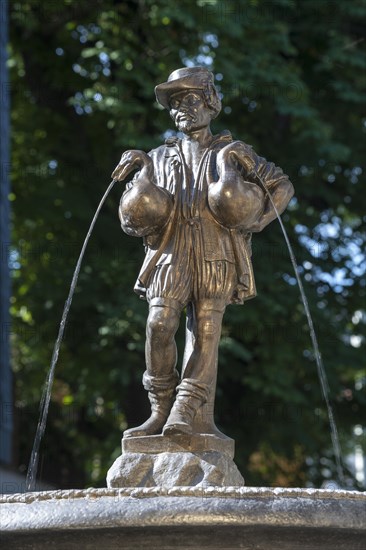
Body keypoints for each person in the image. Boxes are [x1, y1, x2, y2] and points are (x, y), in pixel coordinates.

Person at [112, 67, 294, 439]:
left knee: (207, 331)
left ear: (211, 104)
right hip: (170, 253)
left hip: (216, 251)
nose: (182, 109)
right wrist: (138, 183)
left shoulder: (234, 152)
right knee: (158, 325)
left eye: (191, 100)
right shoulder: (157, 157)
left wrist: (259, 220)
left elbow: (282, 186)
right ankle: (160, 407)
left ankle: (186, 409)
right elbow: (130, 217)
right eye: (176, 104)